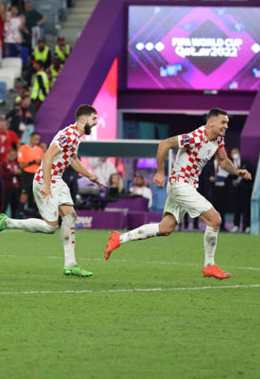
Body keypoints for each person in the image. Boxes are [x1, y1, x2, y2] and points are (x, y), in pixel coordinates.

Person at [106, 109, 252, 279]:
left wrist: (236, 171)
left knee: (165, 228)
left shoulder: (218, 138)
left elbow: (223, 160)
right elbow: (164, 144)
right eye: (223, 122)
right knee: (216, 219)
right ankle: (209, 265)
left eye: (227, 123)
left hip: (187, 186)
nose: (226, 126)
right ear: (211, 122)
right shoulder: (196, 137)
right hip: (180, 185)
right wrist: (160, 172)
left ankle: (119, 238)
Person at [0, 104, 105, 278]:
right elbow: (49, 155)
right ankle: (7, 222)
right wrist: (46, 184)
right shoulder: (69, 134)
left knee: (70, 216)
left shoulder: (75, 136)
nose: (96, 122)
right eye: (94, 119)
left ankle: (70, 265)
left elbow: (73, 160)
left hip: (57, 180)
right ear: (83, 119)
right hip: (47, 180)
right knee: (51, 227)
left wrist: (90, 176)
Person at [18, 132, 43, 216]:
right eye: (35, 139)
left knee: (36, 195)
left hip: (37, 175)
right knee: (24, 194)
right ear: (30, 138)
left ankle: (36, 212)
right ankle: (20, 212)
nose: (37, 141)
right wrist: (33, 161)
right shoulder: (23, 148)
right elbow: (21, 165)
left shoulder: (39, 150)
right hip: (26, 174)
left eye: (38, 139)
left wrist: (40, 162)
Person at [227, 147, 252, 233]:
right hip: (235, 190)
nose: (235, 154)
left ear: (239, 153)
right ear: (231, 155)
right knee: (236, 208)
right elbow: (227, 177)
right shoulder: (229, 164)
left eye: (236, 152)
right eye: (234, 153)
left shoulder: (246, 163)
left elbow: (251, 174)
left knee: (246, 208)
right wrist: (232, 181)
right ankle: (236, 225)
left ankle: (248, 226)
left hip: (245, 190)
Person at [0, 148, 21, 216]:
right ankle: (0, 220)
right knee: (4, 205)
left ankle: (13, 221)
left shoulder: (15, 163)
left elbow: (18, 174)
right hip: (7, 187)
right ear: (7, 154)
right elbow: (4, 175)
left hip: (15, 187)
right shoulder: (3, 163)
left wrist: (18, 173)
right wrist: (13, 173)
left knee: (14, 205)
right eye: (12, 155)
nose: (13, 157)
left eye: (14, 155)